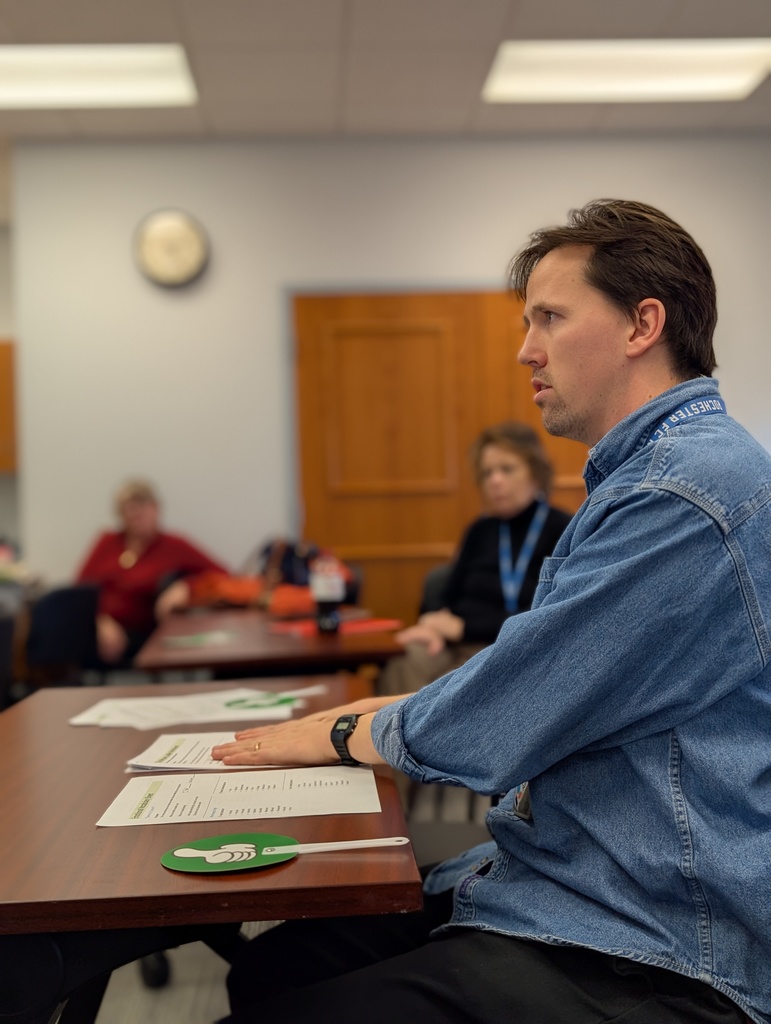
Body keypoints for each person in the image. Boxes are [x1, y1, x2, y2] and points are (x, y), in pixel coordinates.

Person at [210, 200, 770, 1024]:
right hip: (570, 879)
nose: (525, 350)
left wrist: (345, 731)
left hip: (652, 940)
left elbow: (518, 705)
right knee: (272, 971)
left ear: (640, 325)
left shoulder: (684, 493)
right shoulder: (645, 475)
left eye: (549, 318)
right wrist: (388, 714)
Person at [377, 421, 571, 696]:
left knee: (447, 688)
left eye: (506, 469)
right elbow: (447, 595)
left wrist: (465, 627)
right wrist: (433, 624)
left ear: (535, 473)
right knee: (405, 659)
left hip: (507, 648)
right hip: (455, 642)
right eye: (487, 472)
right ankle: (390, 737)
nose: (495, 480)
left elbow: (546, 616)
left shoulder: (562, 529)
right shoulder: (480, 530)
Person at [76, 479, 227, 663]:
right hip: (96, 627)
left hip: (142, 632)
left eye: (141, 506)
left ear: (156, 508)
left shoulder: (174, 545)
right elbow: (80, 590)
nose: (135, 513)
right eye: (127, 508)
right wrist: (101, 620)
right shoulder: (107, 542)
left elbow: (222, 575)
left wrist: (186, 586)